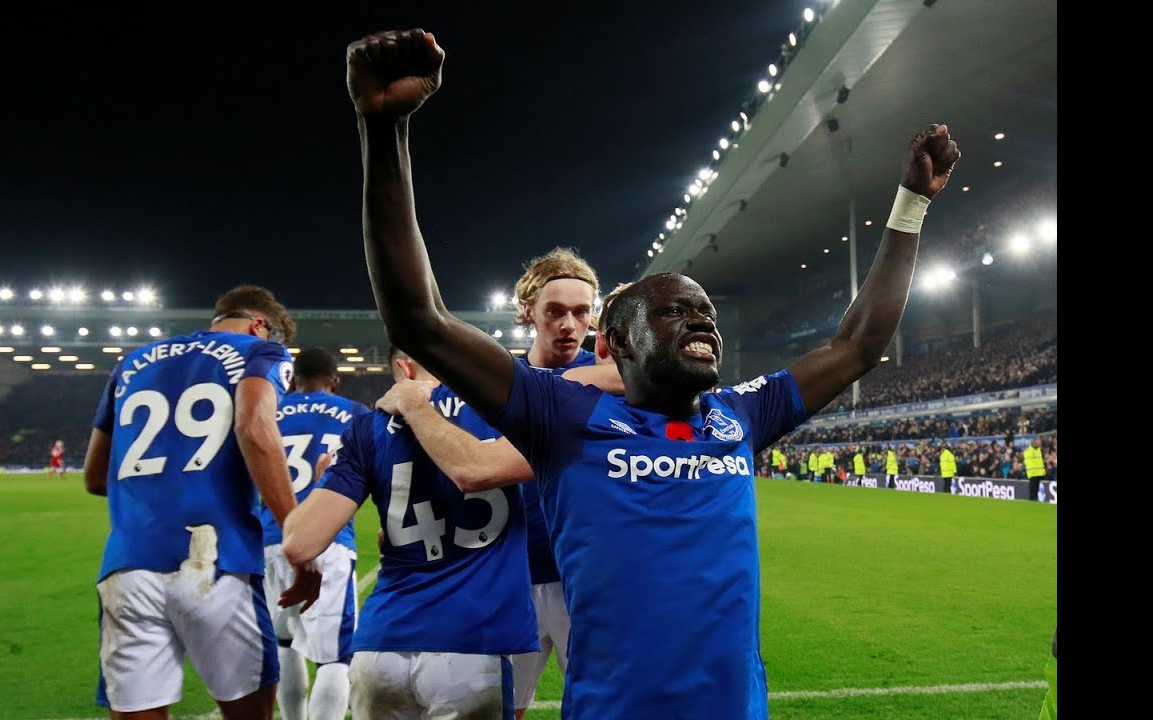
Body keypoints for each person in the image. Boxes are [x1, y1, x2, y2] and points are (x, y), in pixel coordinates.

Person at [344, 27, 960, 719]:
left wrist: (911, 204)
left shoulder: (740, 414)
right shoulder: (561, 417)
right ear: (618, 343)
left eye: (705, 312)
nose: (702, 322)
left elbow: (858, 345)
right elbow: (420, 320)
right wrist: (385, 130)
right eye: (673, 312)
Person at [83, 284, 321, 720]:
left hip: (128, 563)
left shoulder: (132, 362)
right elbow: (253, 427)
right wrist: (298, 534)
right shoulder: (261, 351)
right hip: (219, 560)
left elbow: (95, 477)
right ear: (259, 324)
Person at [279, 346, 539, 719]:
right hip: (473, 641)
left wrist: (322, 489)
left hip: (380, 647)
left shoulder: (366, 428)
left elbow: (299, 543)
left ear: (403, 368)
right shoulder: (502, 411)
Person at [507, 247, 601, 719]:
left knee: (597, 708)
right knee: (502, 708)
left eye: (581, 312)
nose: (569, 324)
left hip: (584, 579)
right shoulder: (499, 379)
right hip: (510, 575)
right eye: (555, 311)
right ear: (529, 311)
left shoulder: (613, 381)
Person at [261, 348, 371, 720]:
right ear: (334, 382)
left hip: (273, 538)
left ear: (292, 380)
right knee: (334, 657)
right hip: (328, 537)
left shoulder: (270, 410)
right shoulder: (355, 412)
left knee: (284, 641)